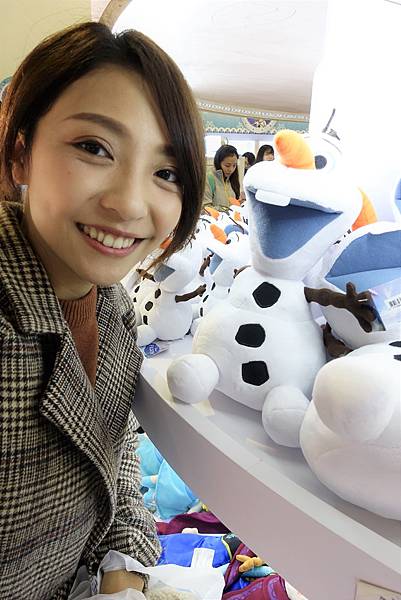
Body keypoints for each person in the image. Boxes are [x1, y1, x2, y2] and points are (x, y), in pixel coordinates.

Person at [0, 21, 205, 599]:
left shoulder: (113, 306)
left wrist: (123, 569)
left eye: (166, 172)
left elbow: (109, 454)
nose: (130, 204)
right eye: (94, 147)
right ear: (21, 154)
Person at [203, 144, 240, 208]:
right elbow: (206, 207)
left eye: (234, 165)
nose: (231, 169)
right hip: (216, 215)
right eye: (227, 165)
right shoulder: (208, 178)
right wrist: (226, 210)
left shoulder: (231, 179)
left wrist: (239, 204)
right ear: (218, 163)